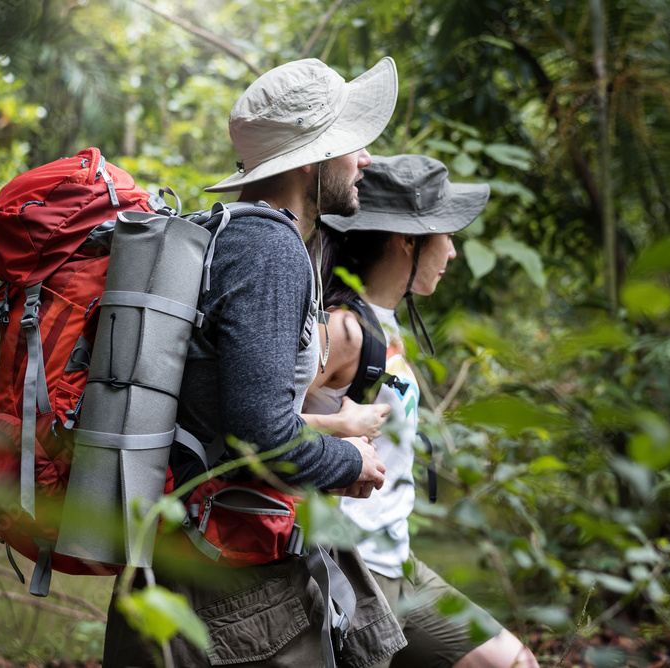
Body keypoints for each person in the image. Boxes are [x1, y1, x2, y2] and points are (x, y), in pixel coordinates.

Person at [103, 57, 409, 667]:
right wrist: (350, 459)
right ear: (313, 159)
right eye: (351, 145)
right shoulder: (270, 248)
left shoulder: (230, 232)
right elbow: (261, 436)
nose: (365, 160)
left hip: (193, 559)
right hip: (233, 595)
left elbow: (232, 410)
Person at [303, 154, 539, 667]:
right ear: (407, 240)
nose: (452, 251)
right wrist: (338, 426)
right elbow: (258, 424)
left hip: (400, 562)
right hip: (353, 573)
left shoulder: (382, 326)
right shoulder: (343, 330)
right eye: (447, 234)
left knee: (515, 662)